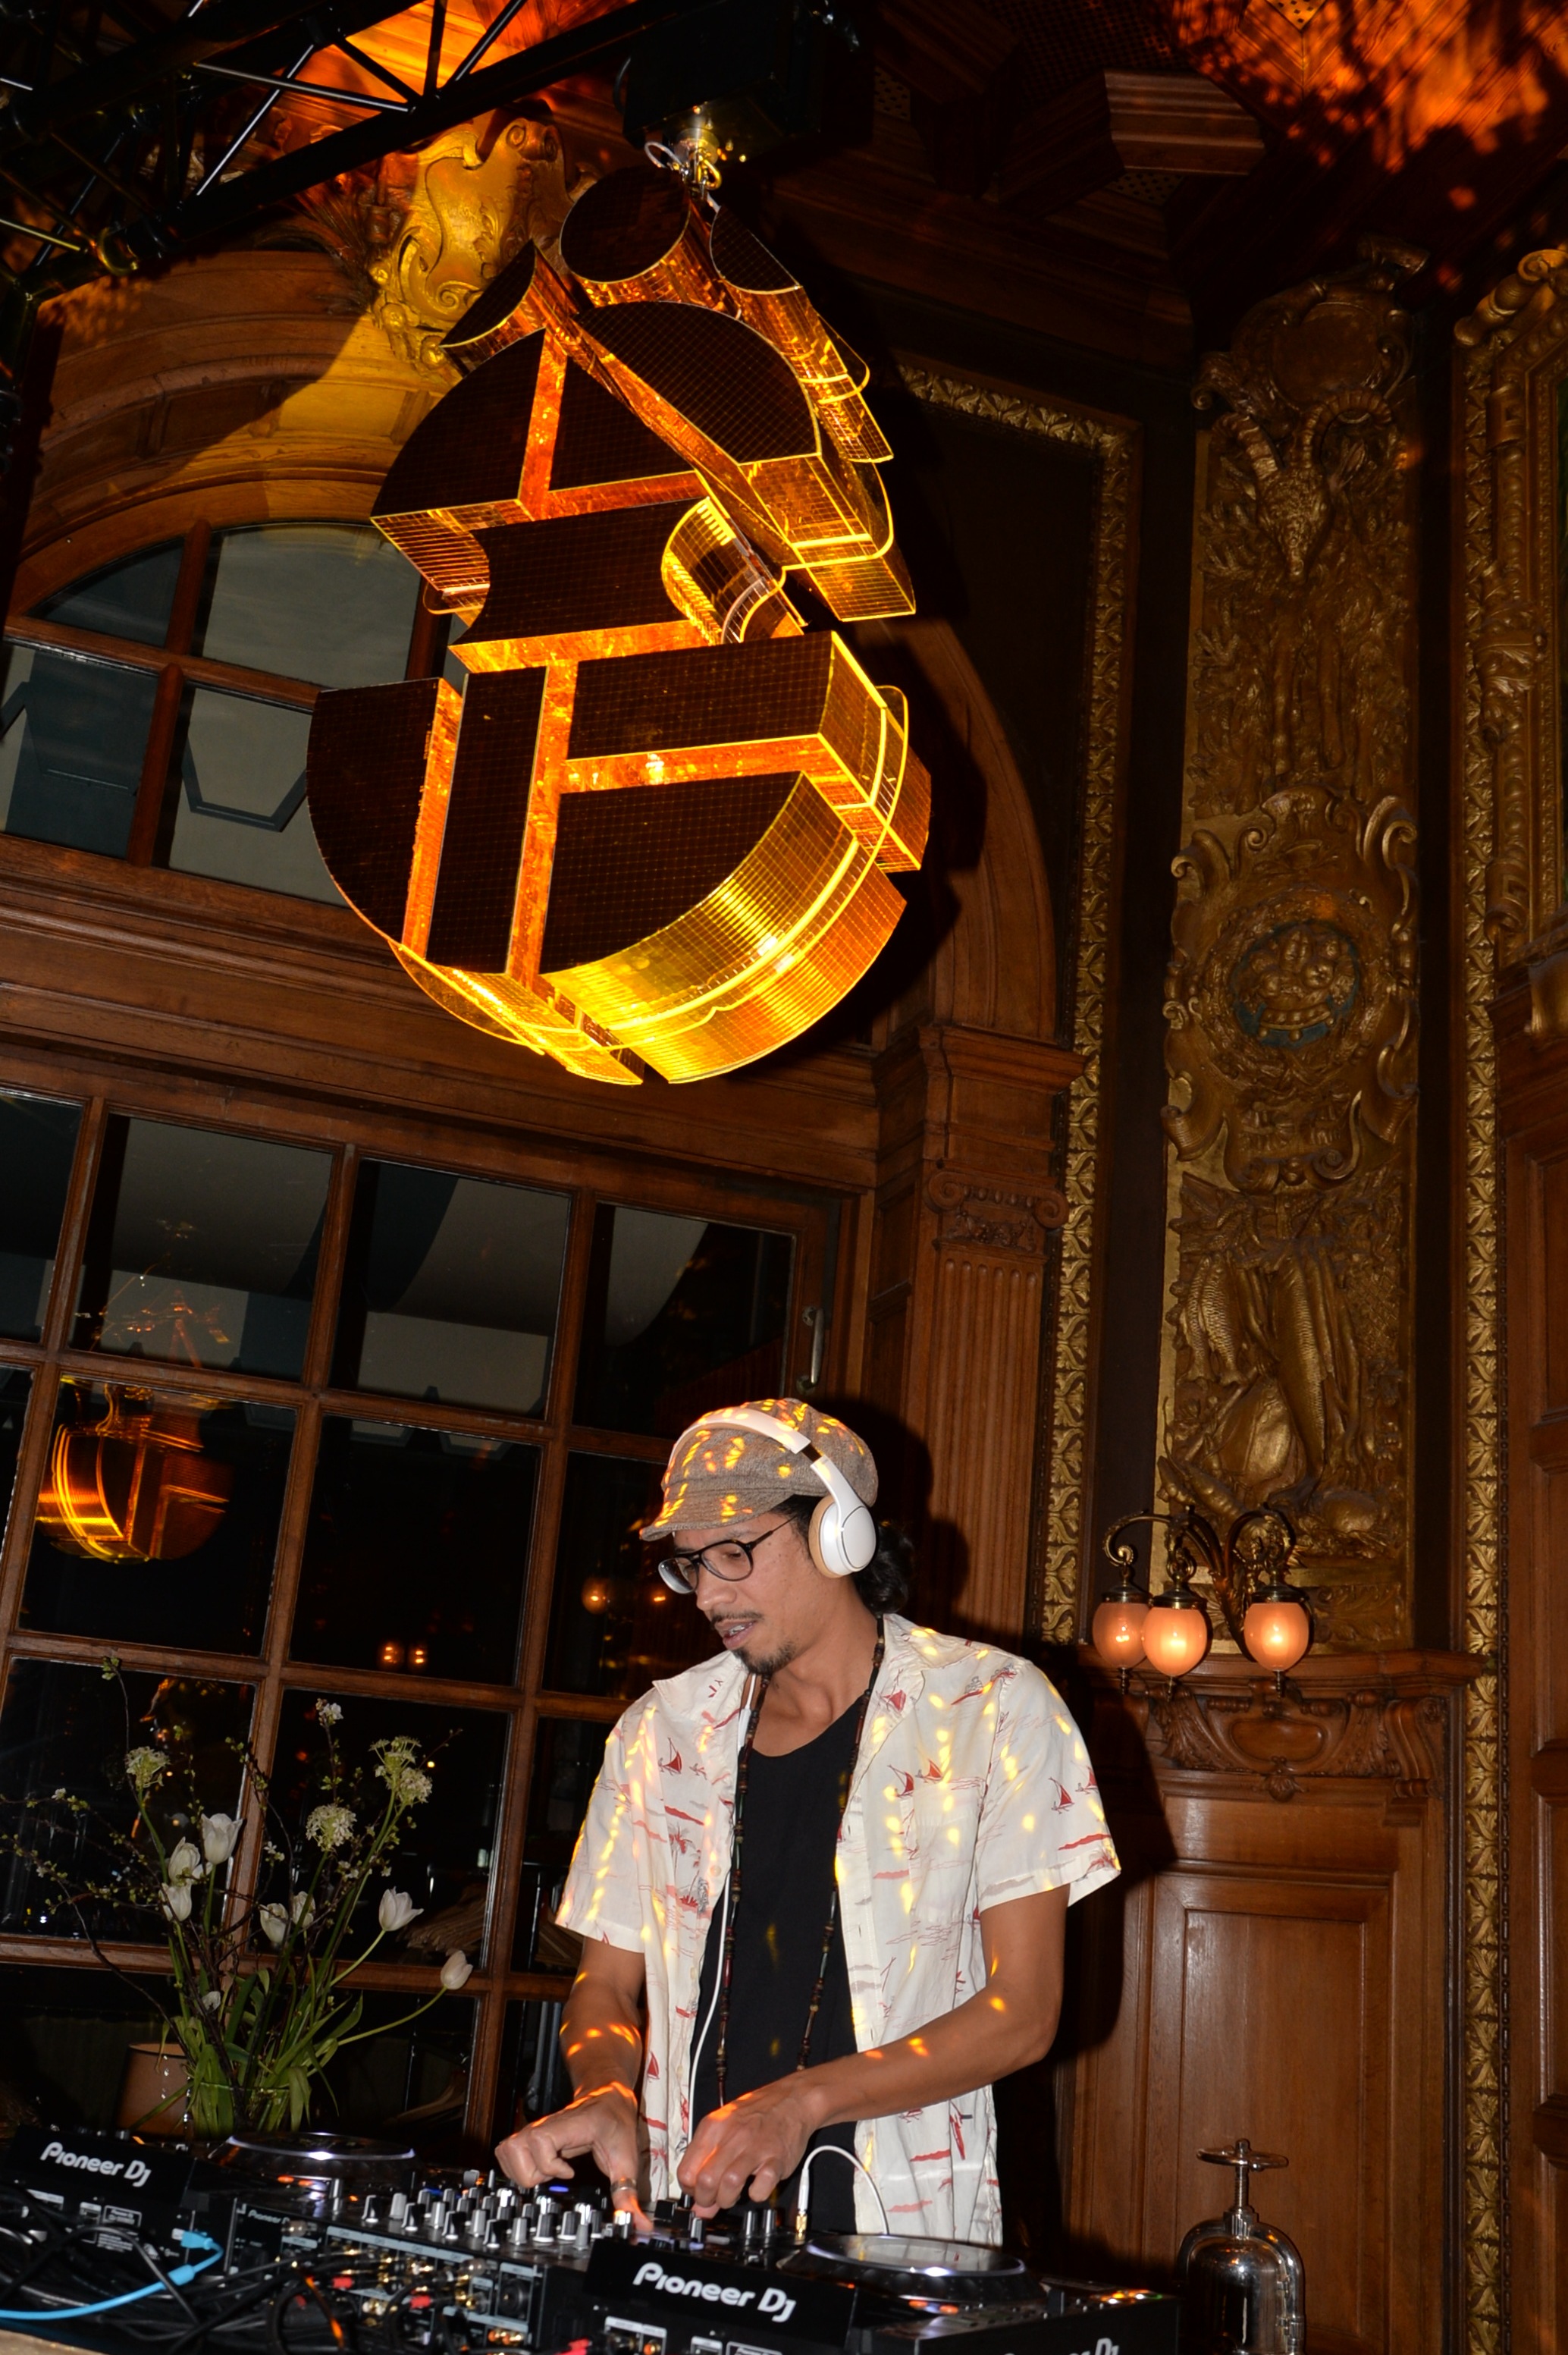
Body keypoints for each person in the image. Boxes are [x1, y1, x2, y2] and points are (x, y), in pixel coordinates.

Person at [496, 1399, 1118, 2242]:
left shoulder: (991, 1708)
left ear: (837, 1534)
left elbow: (1022, 2009)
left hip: (895, 2228)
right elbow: (604, 1984)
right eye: (690, 1565)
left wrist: (800, 2103)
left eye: (734, 1553)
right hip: (684, 2218)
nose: (709, 1594)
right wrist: (605, 2089)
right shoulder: (661, 1733)